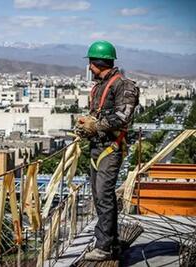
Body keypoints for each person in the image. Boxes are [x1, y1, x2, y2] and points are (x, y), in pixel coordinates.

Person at [75, 40, 139, 261]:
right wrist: (87, 124)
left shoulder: (123, 85)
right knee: (100, 195)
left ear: (98, 62)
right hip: (98, 147)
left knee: (103, 195)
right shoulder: (100, 86)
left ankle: (104, 247)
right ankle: (109, 241)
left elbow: (124, 117)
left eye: (91, 63)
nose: (90, 68)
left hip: (111, 148)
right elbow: (100, 115)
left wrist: (97, 126)